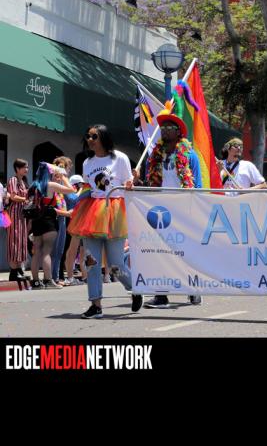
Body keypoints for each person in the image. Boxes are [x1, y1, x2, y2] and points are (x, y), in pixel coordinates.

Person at [67, 124, 143, 319]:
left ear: (103, 137)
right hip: (91, 212)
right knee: (91, 261)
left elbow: (128, 184)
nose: (90, 139)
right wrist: (78, 200)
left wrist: (131, 183)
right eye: (88, 136)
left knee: (116, 264)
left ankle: (134, 289)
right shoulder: (87, 162)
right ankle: (96, 305)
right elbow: (87, 186)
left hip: (115, 211)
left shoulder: (120, 158)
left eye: (94, 136)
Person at [135, 107, 204, 308]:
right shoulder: (154, 156)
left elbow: (197, 185)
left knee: (187, 251)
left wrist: (196, 209)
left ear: (178, 132)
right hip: (161, 211)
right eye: (162, 128)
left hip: (184, 209)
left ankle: (193, 289)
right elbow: (150, 184)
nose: (164, 131)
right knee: (161, 252)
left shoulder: (190, 155)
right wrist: (137, 181)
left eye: (169, 128)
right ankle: (161, 295)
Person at [28, 162, 76, 289]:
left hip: (36, 221)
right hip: (48, 221)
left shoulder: (33, 186)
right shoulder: (50, 185)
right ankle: (48, 281)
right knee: (46, 252)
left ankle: (36, 282)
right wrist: (63, 177)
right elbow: (71, 190)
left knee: (37, 252)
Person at [5, 159, 30, 282]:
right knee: (14, 240)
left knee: (21, 241)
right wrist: (26, 199)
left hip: (21, 214)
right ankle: (13, 272)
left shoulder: (23, 181)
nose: (27, 169)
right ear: (17, 168)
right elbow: (13, 196)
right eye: (25, 167)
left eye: (27, 167)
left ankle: (19, 269)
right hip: (14, 213)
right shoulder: (13, 180)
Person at [50, 156, 73, 285]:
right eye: (63, 168)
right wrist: (66, 213)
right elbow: (50, 208)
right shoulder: (52, 183)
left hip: (62, 218)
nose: (66, 171)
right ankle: (52, 278)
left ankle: (56, 277)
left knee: (59, 251)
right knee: (54, 250)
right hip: (56, 219)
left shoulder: (59, 185)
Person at [62, 175, 87, 286]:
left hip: (77, 222)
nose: (82, 186)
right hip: (71, 222)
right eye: (80, 184)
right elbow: (74, 200)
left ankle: (72, 276)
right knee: (70, 251)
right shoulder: (70, 192)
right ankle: (70, 276)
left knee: (76, 251)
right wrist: (81, 189)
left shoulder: (76, 191)